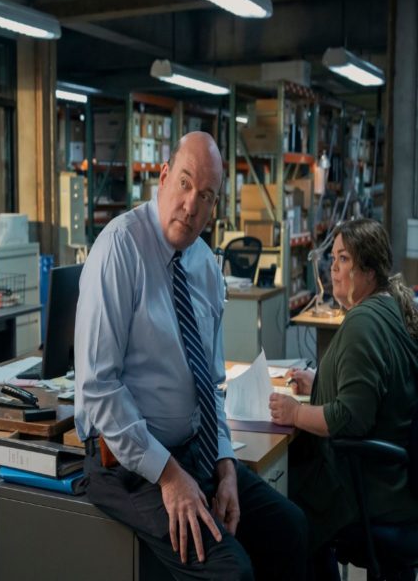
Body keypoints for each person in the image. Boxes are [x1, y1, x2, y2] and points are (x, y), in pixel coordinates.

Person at [75, 131, 308, 580]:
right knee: (231, 572)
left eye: (205, 195)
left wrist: (225, 466)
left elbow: (210, 385)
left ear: (214, 205)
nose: (190, 205)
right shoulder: (120, 248)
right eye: (184, 183)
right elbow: (98, 387)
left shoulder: (203, 265)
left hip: (192, 454)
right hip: (127, 465)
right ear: (163, 177)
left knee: (291, 529)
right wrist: (168, 476)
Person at [269, 218, 418, 577]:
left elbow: (349, 418)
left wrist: (294, 413)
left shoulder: (362, 323)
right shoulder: (388, 308)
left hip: (369, 489)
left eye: (344, 259)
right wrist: (320, 383)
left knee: (280, 510)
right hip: (395, 482)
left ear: (368, 269)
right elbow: (376, 387)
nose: (332, 268)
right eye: (333, 258)